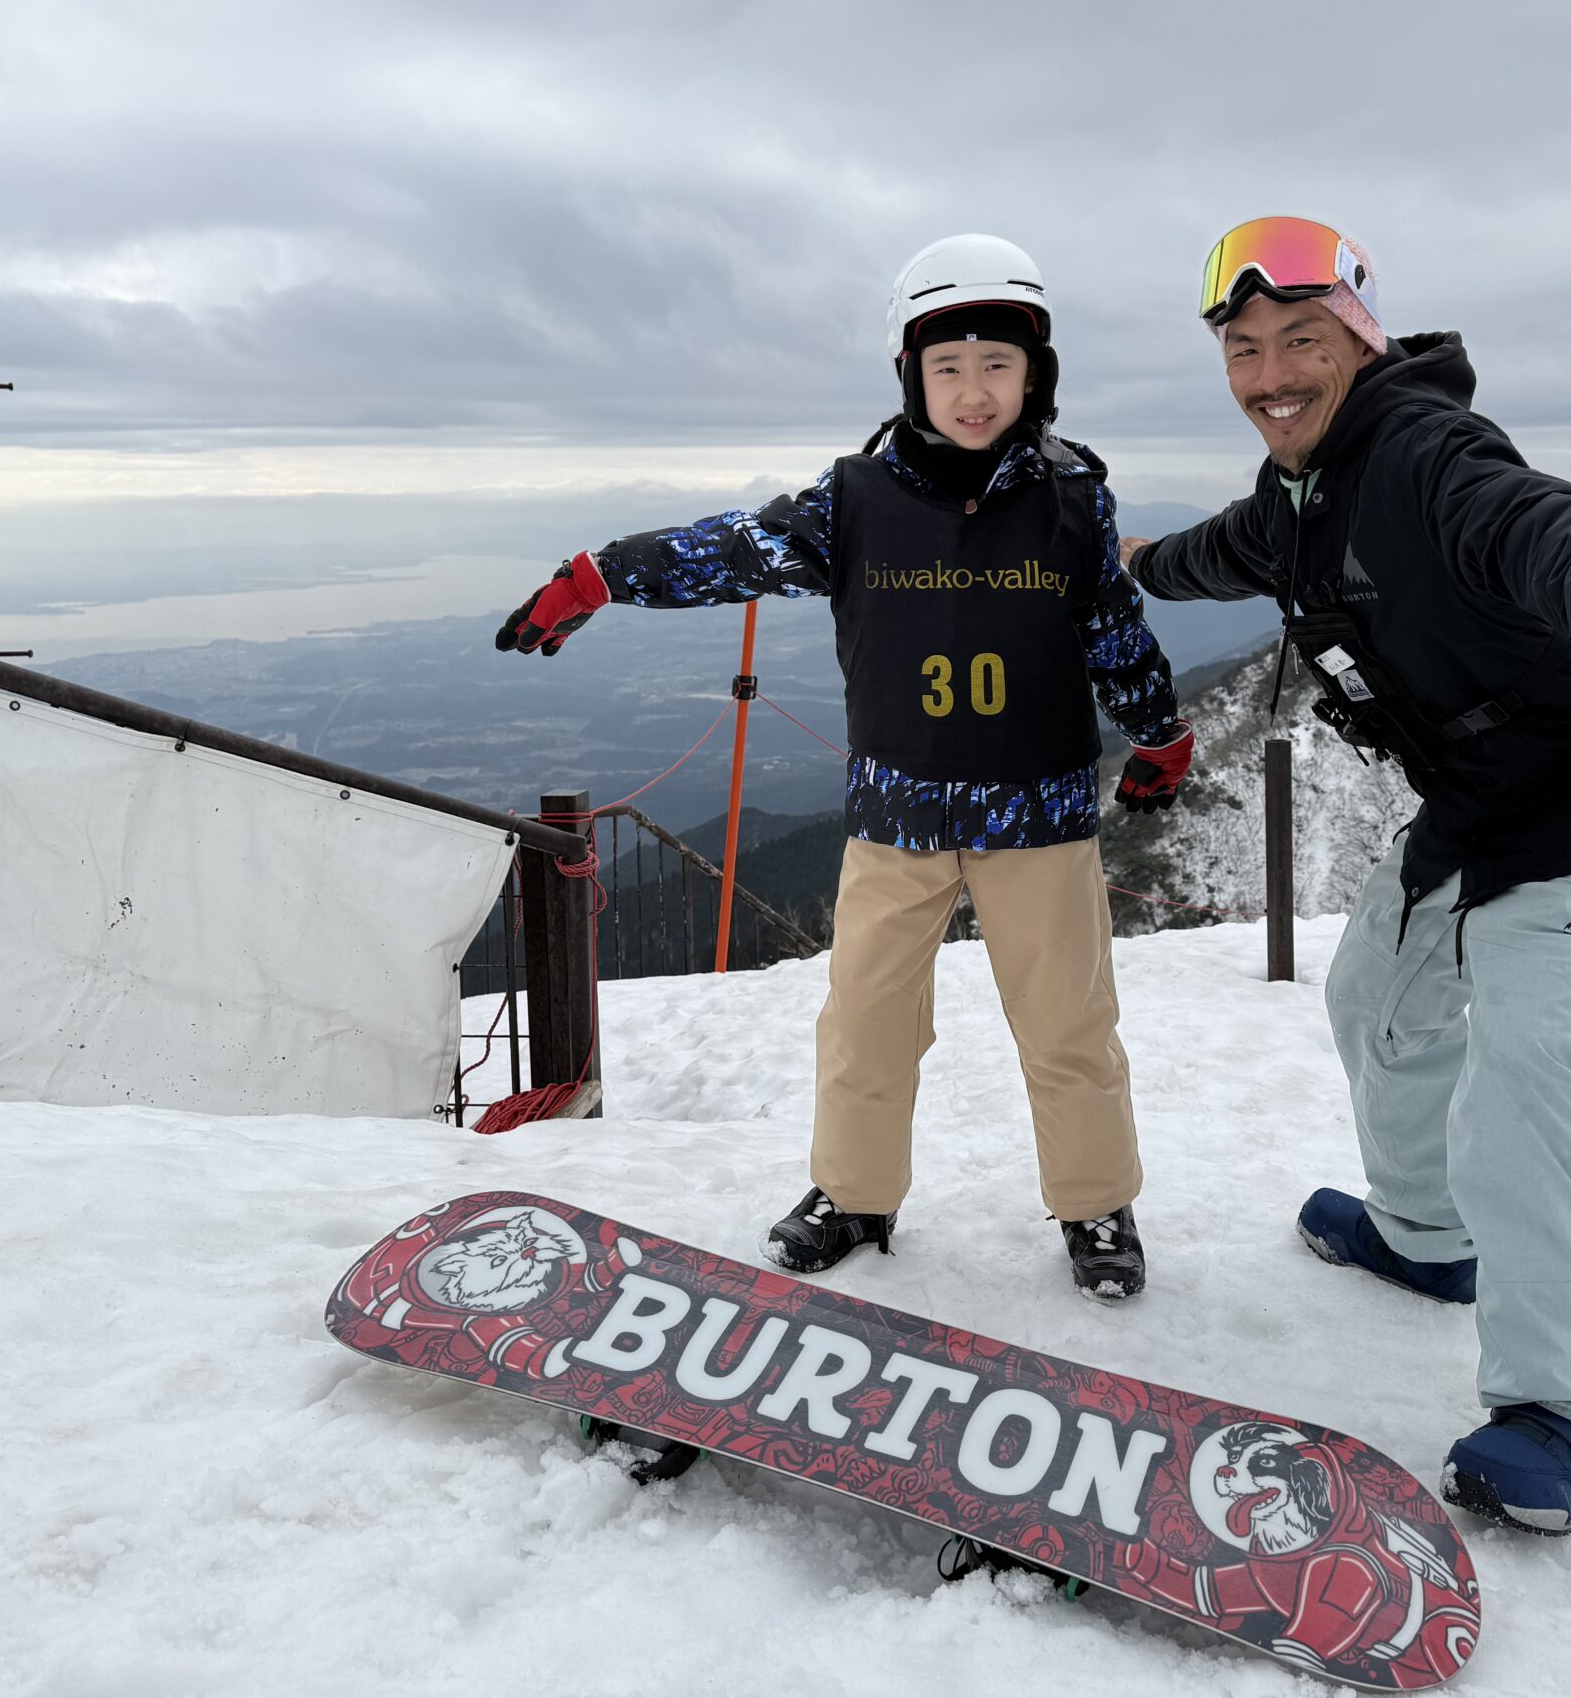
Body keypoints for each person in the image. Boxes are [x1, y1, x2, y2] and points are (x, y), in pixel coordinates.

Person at [1124, 215, 1571, 1530]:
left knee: (1524, 1068)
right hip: (1481, 802)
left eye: (1301, 340)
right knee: (1376, 1000)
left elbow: (1541, 529)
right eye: (1244, 349)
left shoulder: (1423, 454)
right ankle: (1425, 1236)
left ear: (1361, 341)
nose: (1270, 374)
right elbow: (1205, 555)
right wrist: (1123, 563)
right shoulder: (1295, 502)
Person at [496, 234, 1195, 1300]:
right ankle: (855, 1193)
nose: (973, 390)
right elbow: (732, 548)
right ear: (911, 374)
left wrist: (1158, 730)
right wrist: (600, 575)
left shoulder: (1071, 500)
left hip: (1040, 812)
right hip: (896, 812)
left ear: (1035, 374)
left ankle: (1096, 1202)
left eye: (997, 364)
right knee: (866, 1023)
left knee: (1068, 1026)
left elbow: (1112, 631)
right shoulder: (855, 498)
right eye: (948, 365)